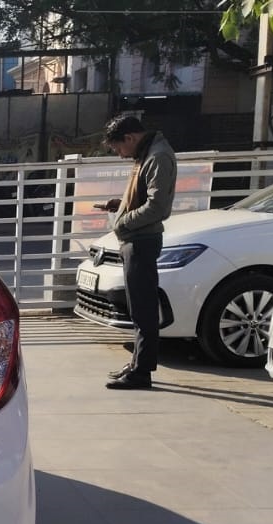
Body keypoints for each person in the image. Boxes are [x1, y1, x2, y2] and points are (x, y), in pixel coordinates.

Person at [96, 114, 176, 390]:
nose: (120, 154)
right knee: (137, 307)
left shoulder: (158, 156)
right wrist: (121, 205)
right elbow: (144, 198)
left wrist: (122, 221)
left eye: (119, 148)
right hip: (136, 238)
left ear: (130, 138)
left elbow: (158, 208)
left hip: (141, 240)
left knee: (143, 310)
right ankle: (138, 364)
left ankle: (142, 372)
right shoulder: (146, 154)